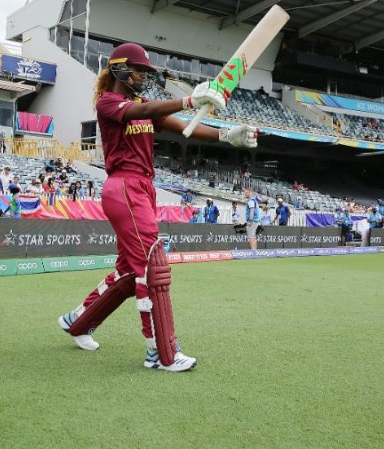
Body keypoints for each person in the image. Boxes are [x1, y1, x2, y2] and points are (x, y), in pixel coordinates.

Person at [57, 42, 257, 372]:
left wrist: (226, 136)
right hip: (124, 186)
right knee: (153, 266)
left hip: (142, 188)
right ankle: (162, 353)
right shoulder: (109, 103)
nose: (141, 76)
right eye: (138, 70)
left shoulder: (144, 105)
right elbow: (143, 113)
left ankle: (77, 322)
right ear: (120, 68)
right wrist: (190, 99)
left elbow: (183, 127)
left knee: (128, 271)